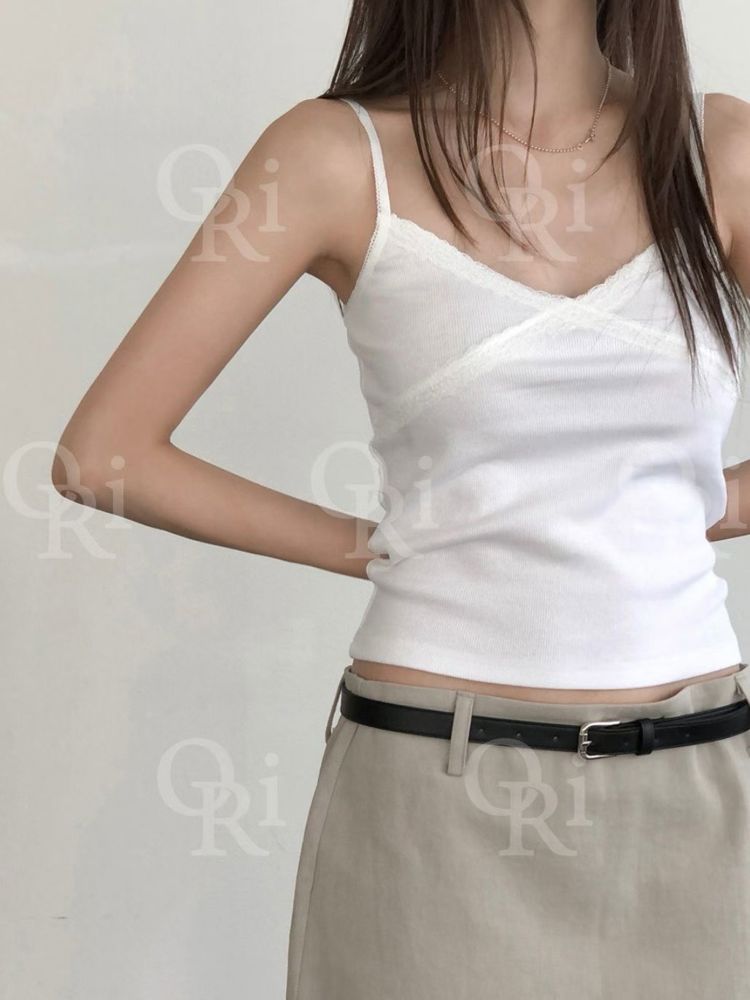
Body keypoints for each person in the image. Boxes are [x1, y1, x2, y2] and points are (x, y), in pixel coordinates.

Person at [51, 1, 750, 997]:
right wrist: (377, 544)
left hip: (701, 783)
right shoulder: (333, 156)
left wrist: (693, 505)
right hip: (434, 798)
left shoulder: (719, 150)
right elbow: (103, 453)